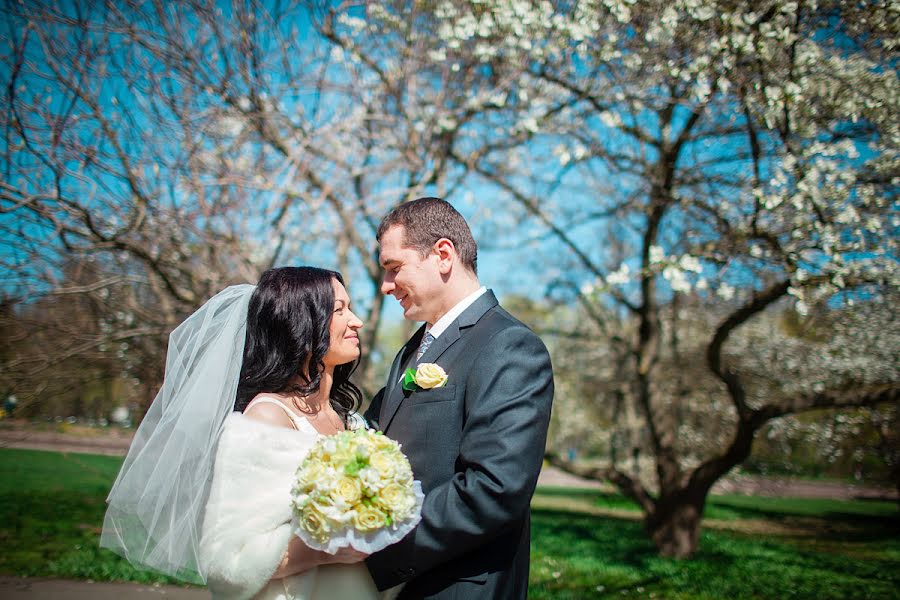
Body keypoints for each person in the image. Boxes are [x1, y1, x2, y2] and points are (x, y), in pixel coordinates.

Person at [101, 267, 381, 600]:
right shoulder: (267, 417)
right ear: (301, 324)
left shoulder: (347, 419)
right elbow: (227, 560)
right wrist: (325, 550)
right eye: (339, 310)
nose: (356, 321)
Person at [364, 198, 554, 599]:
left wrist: (374, 547)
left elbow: (494, 488)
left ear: (443, 255)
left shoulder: (509, 345)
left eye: (394, 268)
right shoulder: (412, 350)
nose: (386, 285)